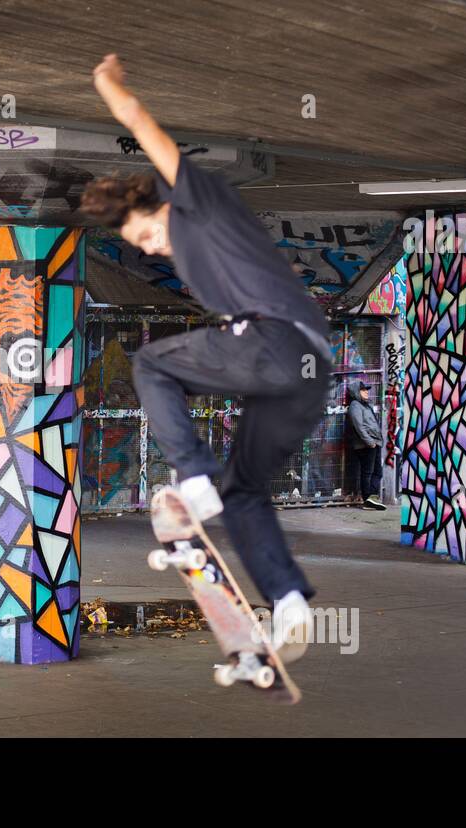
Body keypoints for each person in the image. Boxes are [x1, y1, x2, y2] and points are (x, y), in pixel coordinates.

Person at [83, 54, 333, 661]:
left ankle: (193, 480)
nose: (156, 248)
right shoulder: (194, 240)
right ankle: (290, 603)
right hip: (304, 376)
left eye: (147, 236)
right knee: (244, 489)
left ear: (156, 204)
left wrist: (108, 86)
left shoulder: (198, 200)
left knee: (151, 365)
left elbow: (144, 126)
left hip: (276, 342)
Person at [347, 381, 386, 510]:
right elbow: (359, 426)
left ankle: (372, 498)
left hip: (374, 442)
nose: (366, 391)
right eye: (363, 390)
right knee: (368, 472)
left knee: (378, 472)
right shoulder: (355, 405)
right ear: (356, 392)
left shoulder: (366, 405)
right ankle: (367, 498)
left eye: (366, 390)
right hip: (366, 444)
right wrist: (370, 442)